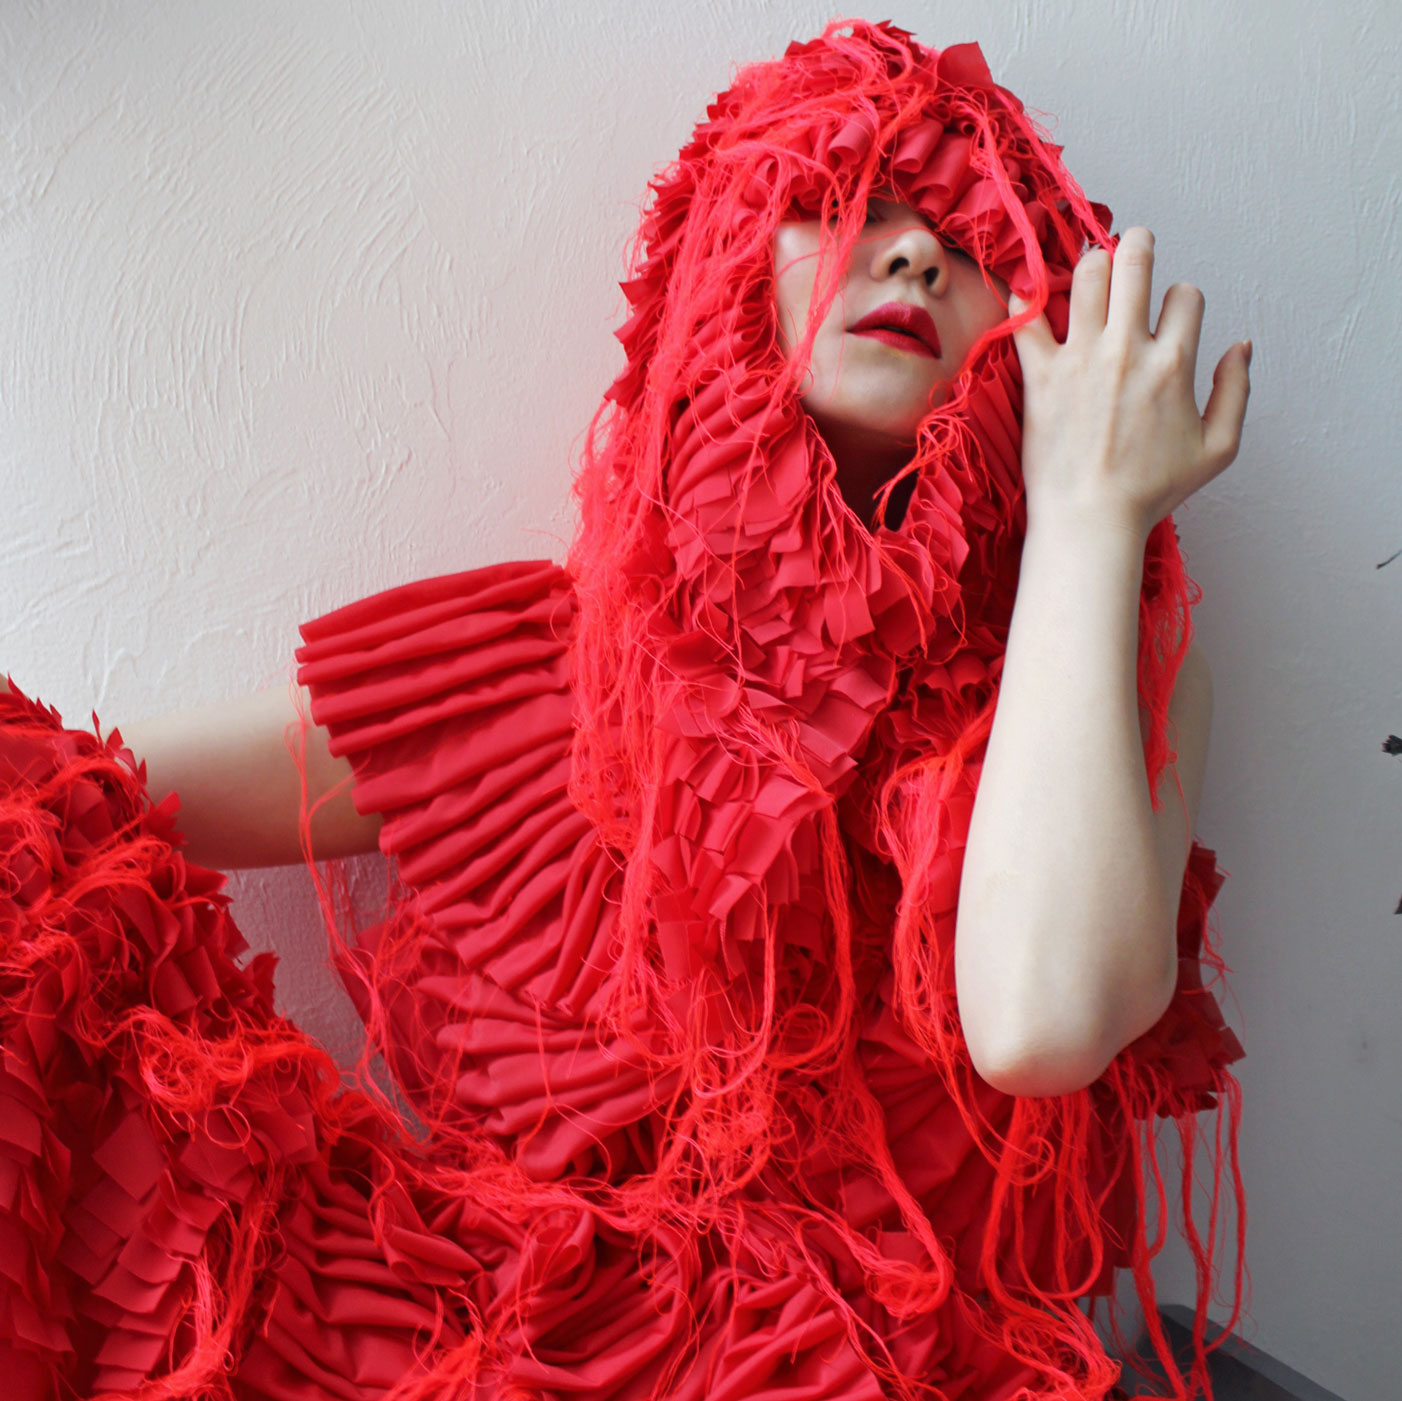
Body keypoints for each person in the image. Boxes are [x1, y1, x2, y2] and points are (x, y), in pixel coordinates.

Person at [0, 18, 1250, 1400]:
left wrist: (1088, 513)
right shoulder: (542, 670)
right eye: (839, 205)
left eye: (967, 238)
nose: (908, 255)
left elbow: (1043, 1024)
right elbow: (84, 799)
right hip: (503, 1352)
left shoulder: (1099, 660)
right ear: (725, 265)